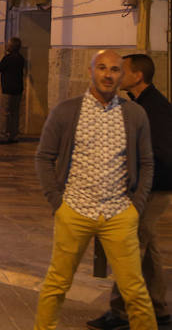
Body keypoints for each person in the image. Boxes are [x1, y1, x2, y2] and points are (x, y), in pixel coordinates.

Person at [33, 50, 155, 330]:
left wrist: (136, 206)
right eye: (102, 68)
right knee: (56, 284)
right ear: (91, 71)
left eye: (114, 70)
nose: (108, 75)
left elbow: (147, 162)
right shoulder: (66, 111)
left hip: (118, 213)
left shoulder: (134, 114)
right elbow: (44, 157)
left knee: (135, 291)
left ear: (121, 76)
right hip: (74, 210)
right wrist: (58, 203)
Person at [88, 53, 172, 330]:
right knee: (148, 247)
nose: (116, 75)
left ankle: (121, 313)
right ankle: (158, 308)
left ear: (138, 76)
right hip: (149, 186)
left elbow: (160, 153)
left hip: (153, 188)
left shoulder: (155, 108)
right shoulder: (141, 103)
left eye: (121, 70)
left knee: (130, 247)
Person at [0, 37, 26, 144]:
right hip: (18, 89)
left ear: (11, 46)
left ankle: (3, 135)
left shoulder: (8, 58)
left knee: (4, 113)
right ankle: (14, 135)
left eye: (8, 44)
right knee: (15, 113)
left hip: (8, 89)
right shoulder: (21, 58)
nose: (6, 45)